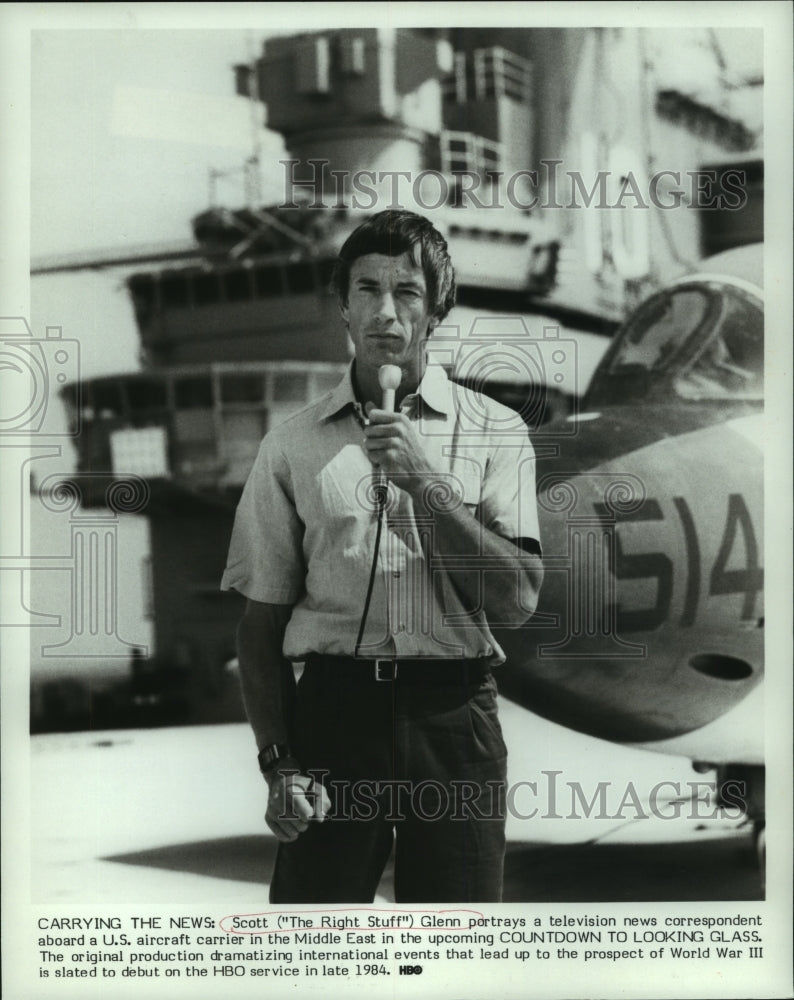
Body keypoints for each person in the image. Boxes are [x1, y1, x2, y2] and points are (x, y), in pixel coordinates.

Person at [221, 209, 543, 903]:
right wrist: (279, 765)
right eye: (366, 289)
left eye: (408, 293)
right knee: (312, 950)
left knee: (458, 955)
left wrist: (425, 485)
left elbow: (517, 600)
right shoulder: (290, 446)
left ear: (437, 313)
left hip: (453, 719)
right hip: (333, 720)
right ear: (342, 306)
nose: (385, 312)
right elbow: (259, 628)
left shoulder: (499, 431)